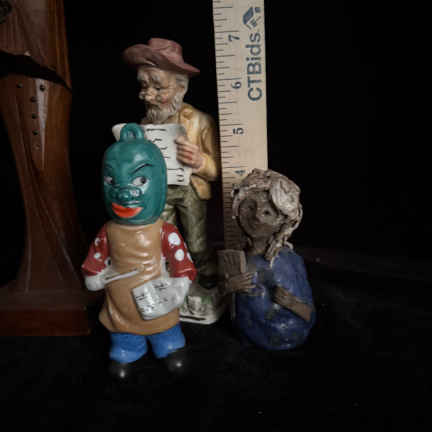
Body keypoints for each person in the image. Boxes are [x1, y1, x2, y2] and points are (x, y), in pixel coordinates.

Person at [82, 124, 197, 380]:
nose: (124, 194)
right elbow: (96, 256)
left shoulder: (164, 230)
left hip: (157, 294)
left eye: (140, 181)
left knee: (164, 325)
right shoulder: (108, 231)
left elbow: (181, 260)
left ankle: (169, 345)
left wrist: (180, 283)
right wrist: (94, 275)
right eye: (112, 181)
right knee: (122, 328)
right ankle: (127, 349)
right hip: (119, 297)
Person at [122, 38, 220, 289]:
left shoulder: (200, 121)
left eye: (158, 88)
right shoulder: (144, 124)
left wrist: (199, 161)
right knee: (163, 236)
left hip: (190, 190)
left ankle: (205, 270)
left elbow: (216, 171)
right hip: (159, 191)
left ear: (181, 87)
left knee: (196, 239)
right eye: (144, 86)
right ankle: (171, 274)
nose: (148, 95)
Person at [222, 169, 315, 350]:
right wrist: (228, 287)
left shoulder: (286, 262)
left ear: (283, 221)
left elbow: (309, 315)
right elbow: (223, 296)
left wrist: (291, 303)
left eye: (267, 212)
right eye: (250, 207)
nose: (256, 217)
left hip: (283, 334)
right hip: (247, 333)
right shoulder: (237, 255)